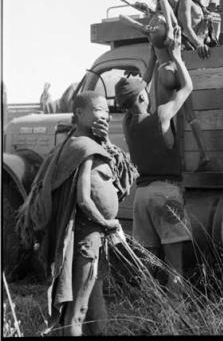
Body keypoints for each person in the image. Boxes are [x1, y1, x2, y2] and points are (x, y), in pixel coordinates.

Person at [17, 91, 137, 336]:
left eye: (106, 110)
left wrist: (105, 142)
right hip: (86, 238)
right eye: (97, 110)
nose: (104, 115)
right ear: (80, 113)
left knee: (95, 304)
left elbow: (124, 178)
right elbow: (83, 199)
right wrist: (107, 222)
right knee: (77, 312)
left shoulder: (93, 145)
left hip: (95, 238)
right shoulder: (81, 148)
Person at [115, 26, 193, 296]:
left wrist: (151, 54)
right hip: (166, 195)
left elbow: (141, 86)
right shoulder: (160, 115)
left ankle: (150, 311)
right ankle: (175, 315)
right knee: (175, 268)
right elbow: (186, 88)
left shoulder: (127, 123)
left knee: (147, 266)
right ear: (141, 97)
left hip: (142, 197)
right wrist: (176, 56)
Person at [119, 0, 212, 171]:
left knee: (164, 119)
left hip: (163, 72)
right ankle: (204, 153)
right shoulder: (174, 26)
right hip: (179, 68)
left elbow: (122, 17)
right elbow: (165, 2)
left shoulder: (154, 28)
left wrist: (143, 84)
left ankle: (172, 157)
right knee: (192, 116)